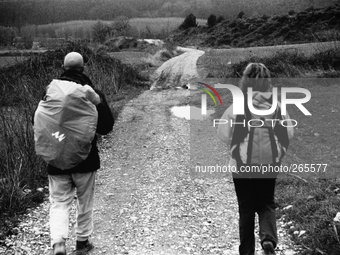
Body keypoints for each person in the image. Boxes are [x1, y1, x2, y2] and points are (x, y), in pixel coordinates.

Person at [37, 52, 114, 255]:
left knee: (59, 202)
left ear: (63, 67)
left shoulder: (49, 92)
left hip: (56, 159)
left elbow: (40, 123)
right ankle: (82, 242)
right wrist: (98, 103)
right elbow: (106, 127)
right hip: (85, 160)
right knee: (84, 201)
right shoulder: (92, 93)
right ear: (83, 68)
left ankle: (59, 243)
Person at [217, 63, 294, 255]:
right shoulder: (277, 107)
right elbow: (289, 133)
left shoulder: (237, 107)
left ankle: (247, 251)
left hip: (241, 167)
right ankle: (268, 238)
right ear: (268, 82)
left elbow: (223, 134)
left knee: (246, 208)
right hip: (269, 165)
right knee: (267, 202)